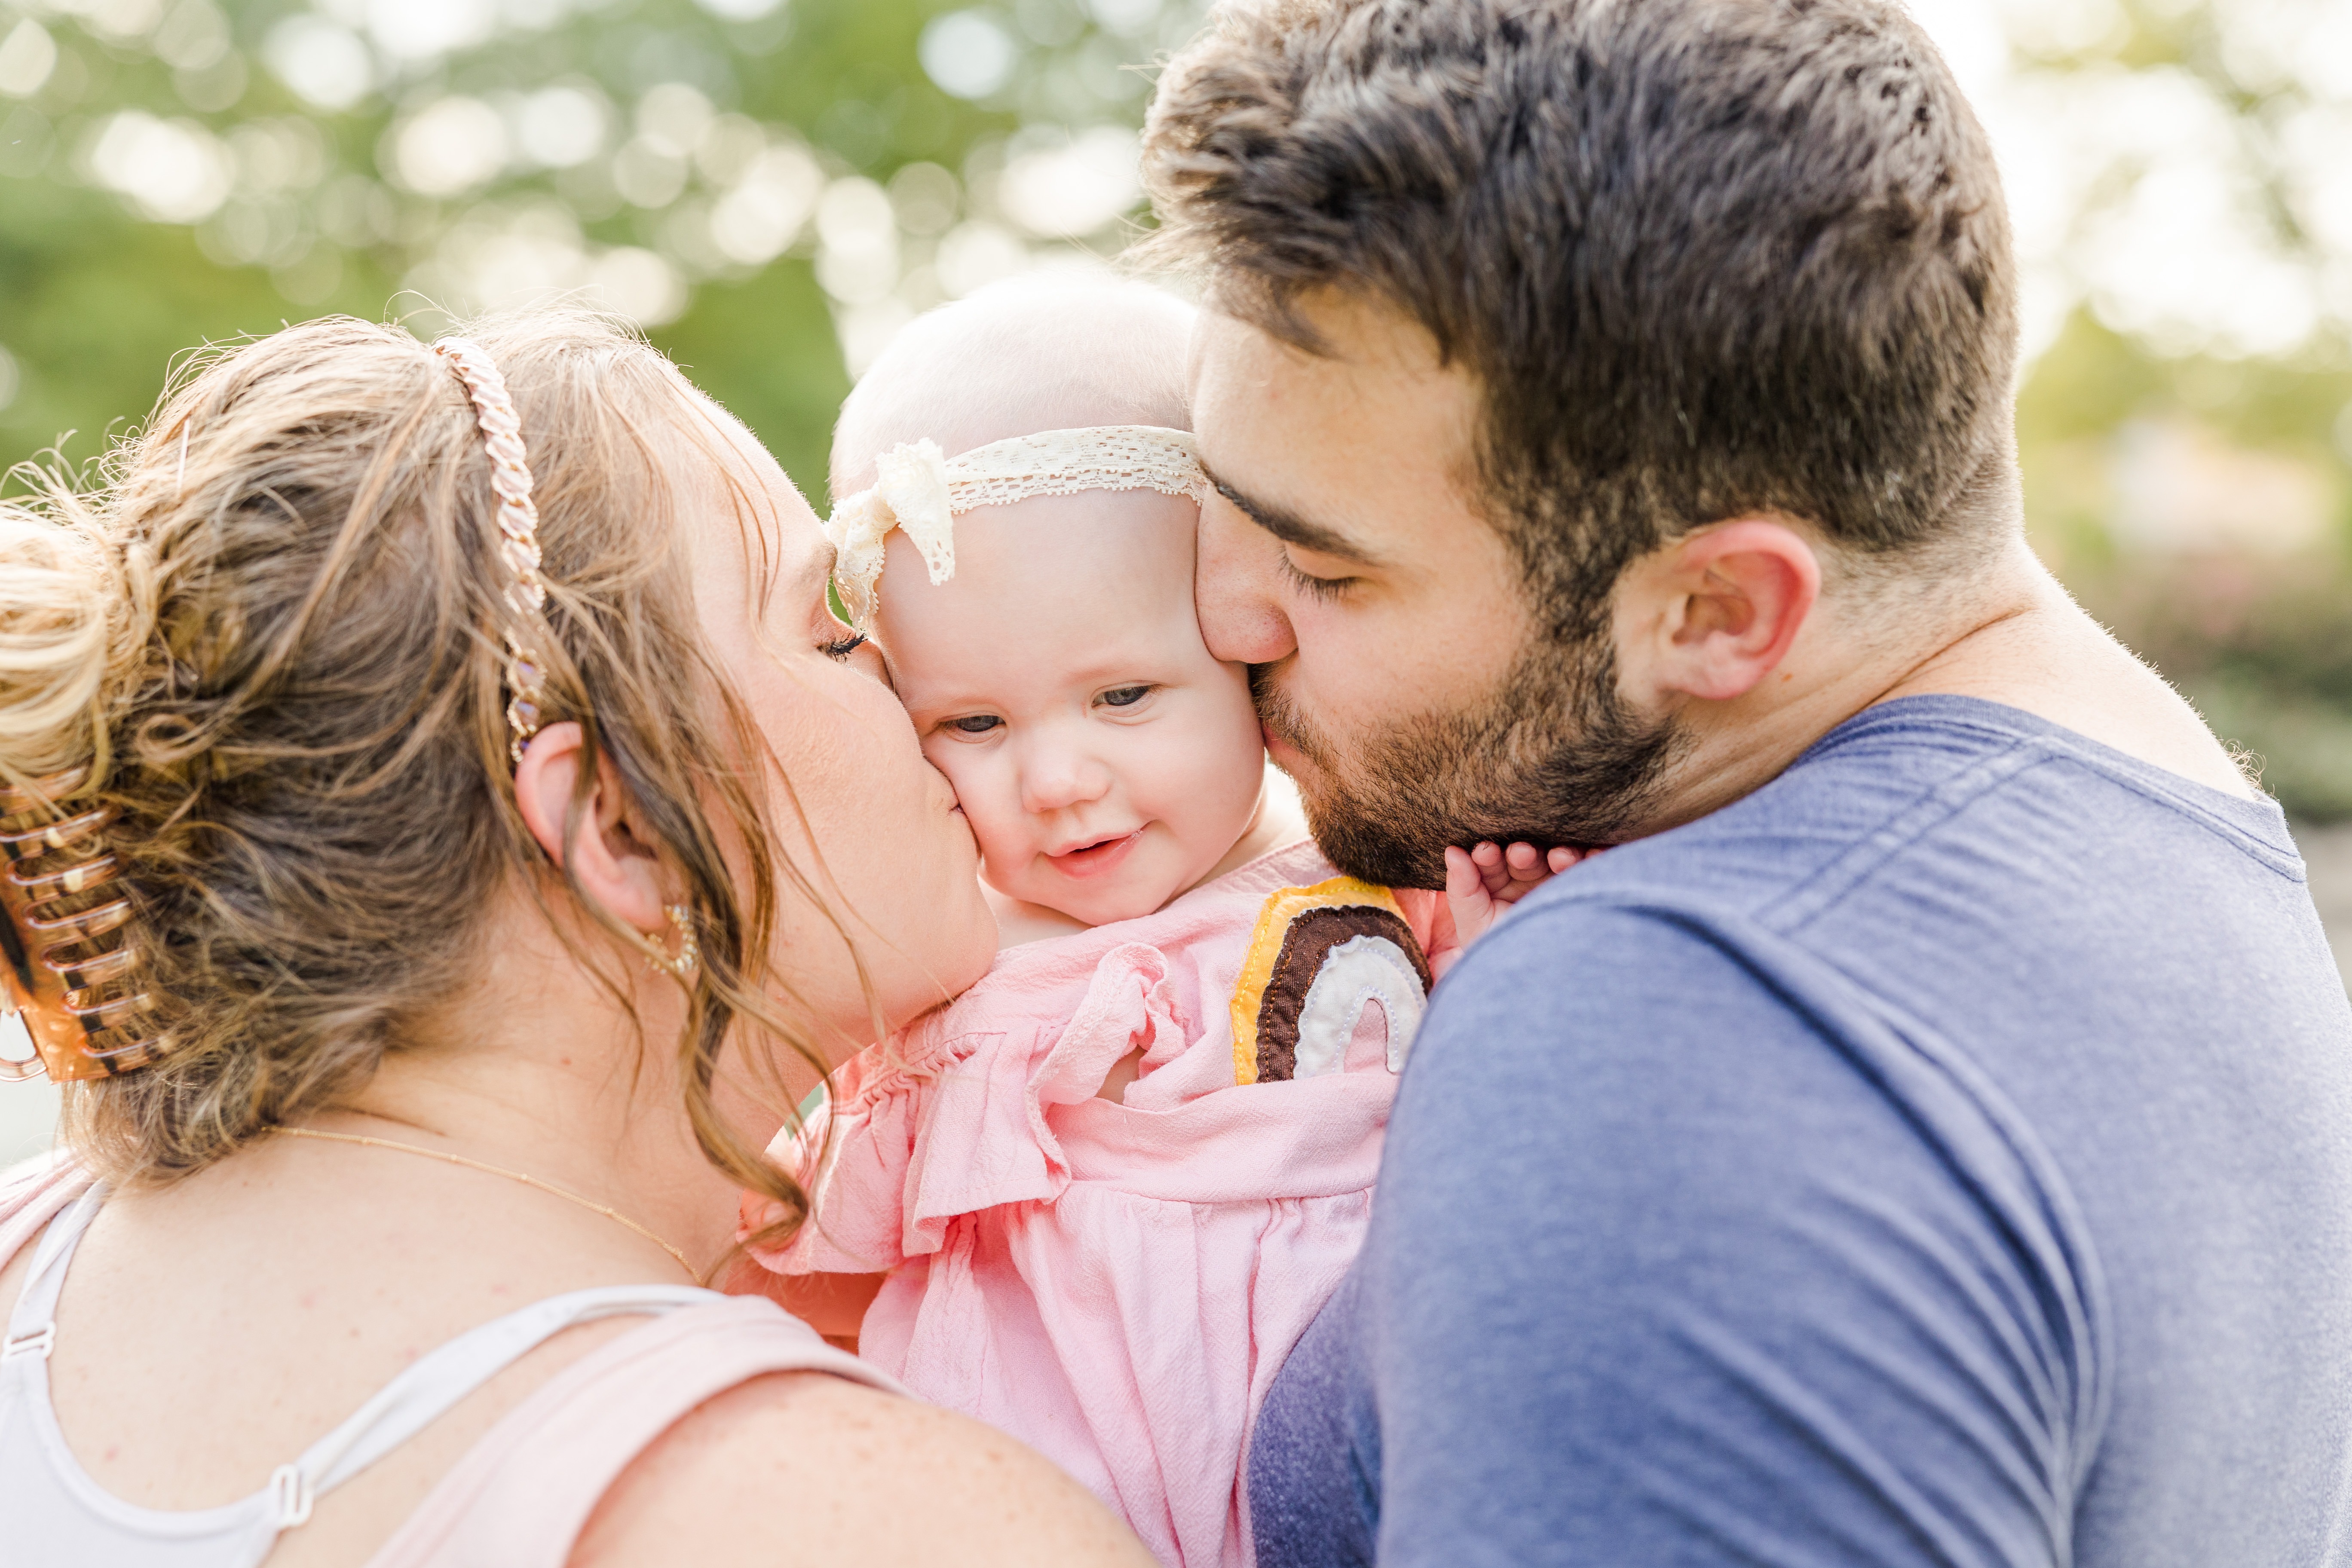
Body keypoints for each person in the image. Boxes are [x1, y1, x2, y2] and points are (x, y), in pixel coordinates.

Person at [1139, 0, 2352, 1564]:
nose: (1226, 617)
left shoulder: (1679, 1027)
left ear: (1716, 614)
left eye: (1322, 566)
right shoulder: (2175, 855)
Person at [0, 312, 1152, 1567]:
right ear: (621, 827)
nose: (912, 681)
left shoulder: (28, 1256)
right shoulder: (861, 1523)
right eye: (826, 632)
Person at [735, 280, 1570, 1568]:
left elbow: (1502, 1128)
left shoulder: (1365, 866)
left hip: (1384, 1449)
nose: (1057, 779)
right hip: (1062, 1484)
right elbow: (810, 1236)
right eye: (974, 724)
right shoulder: (957, 967)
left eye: (1123, 694)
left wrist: (1507, 947)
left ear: (1246, 647)